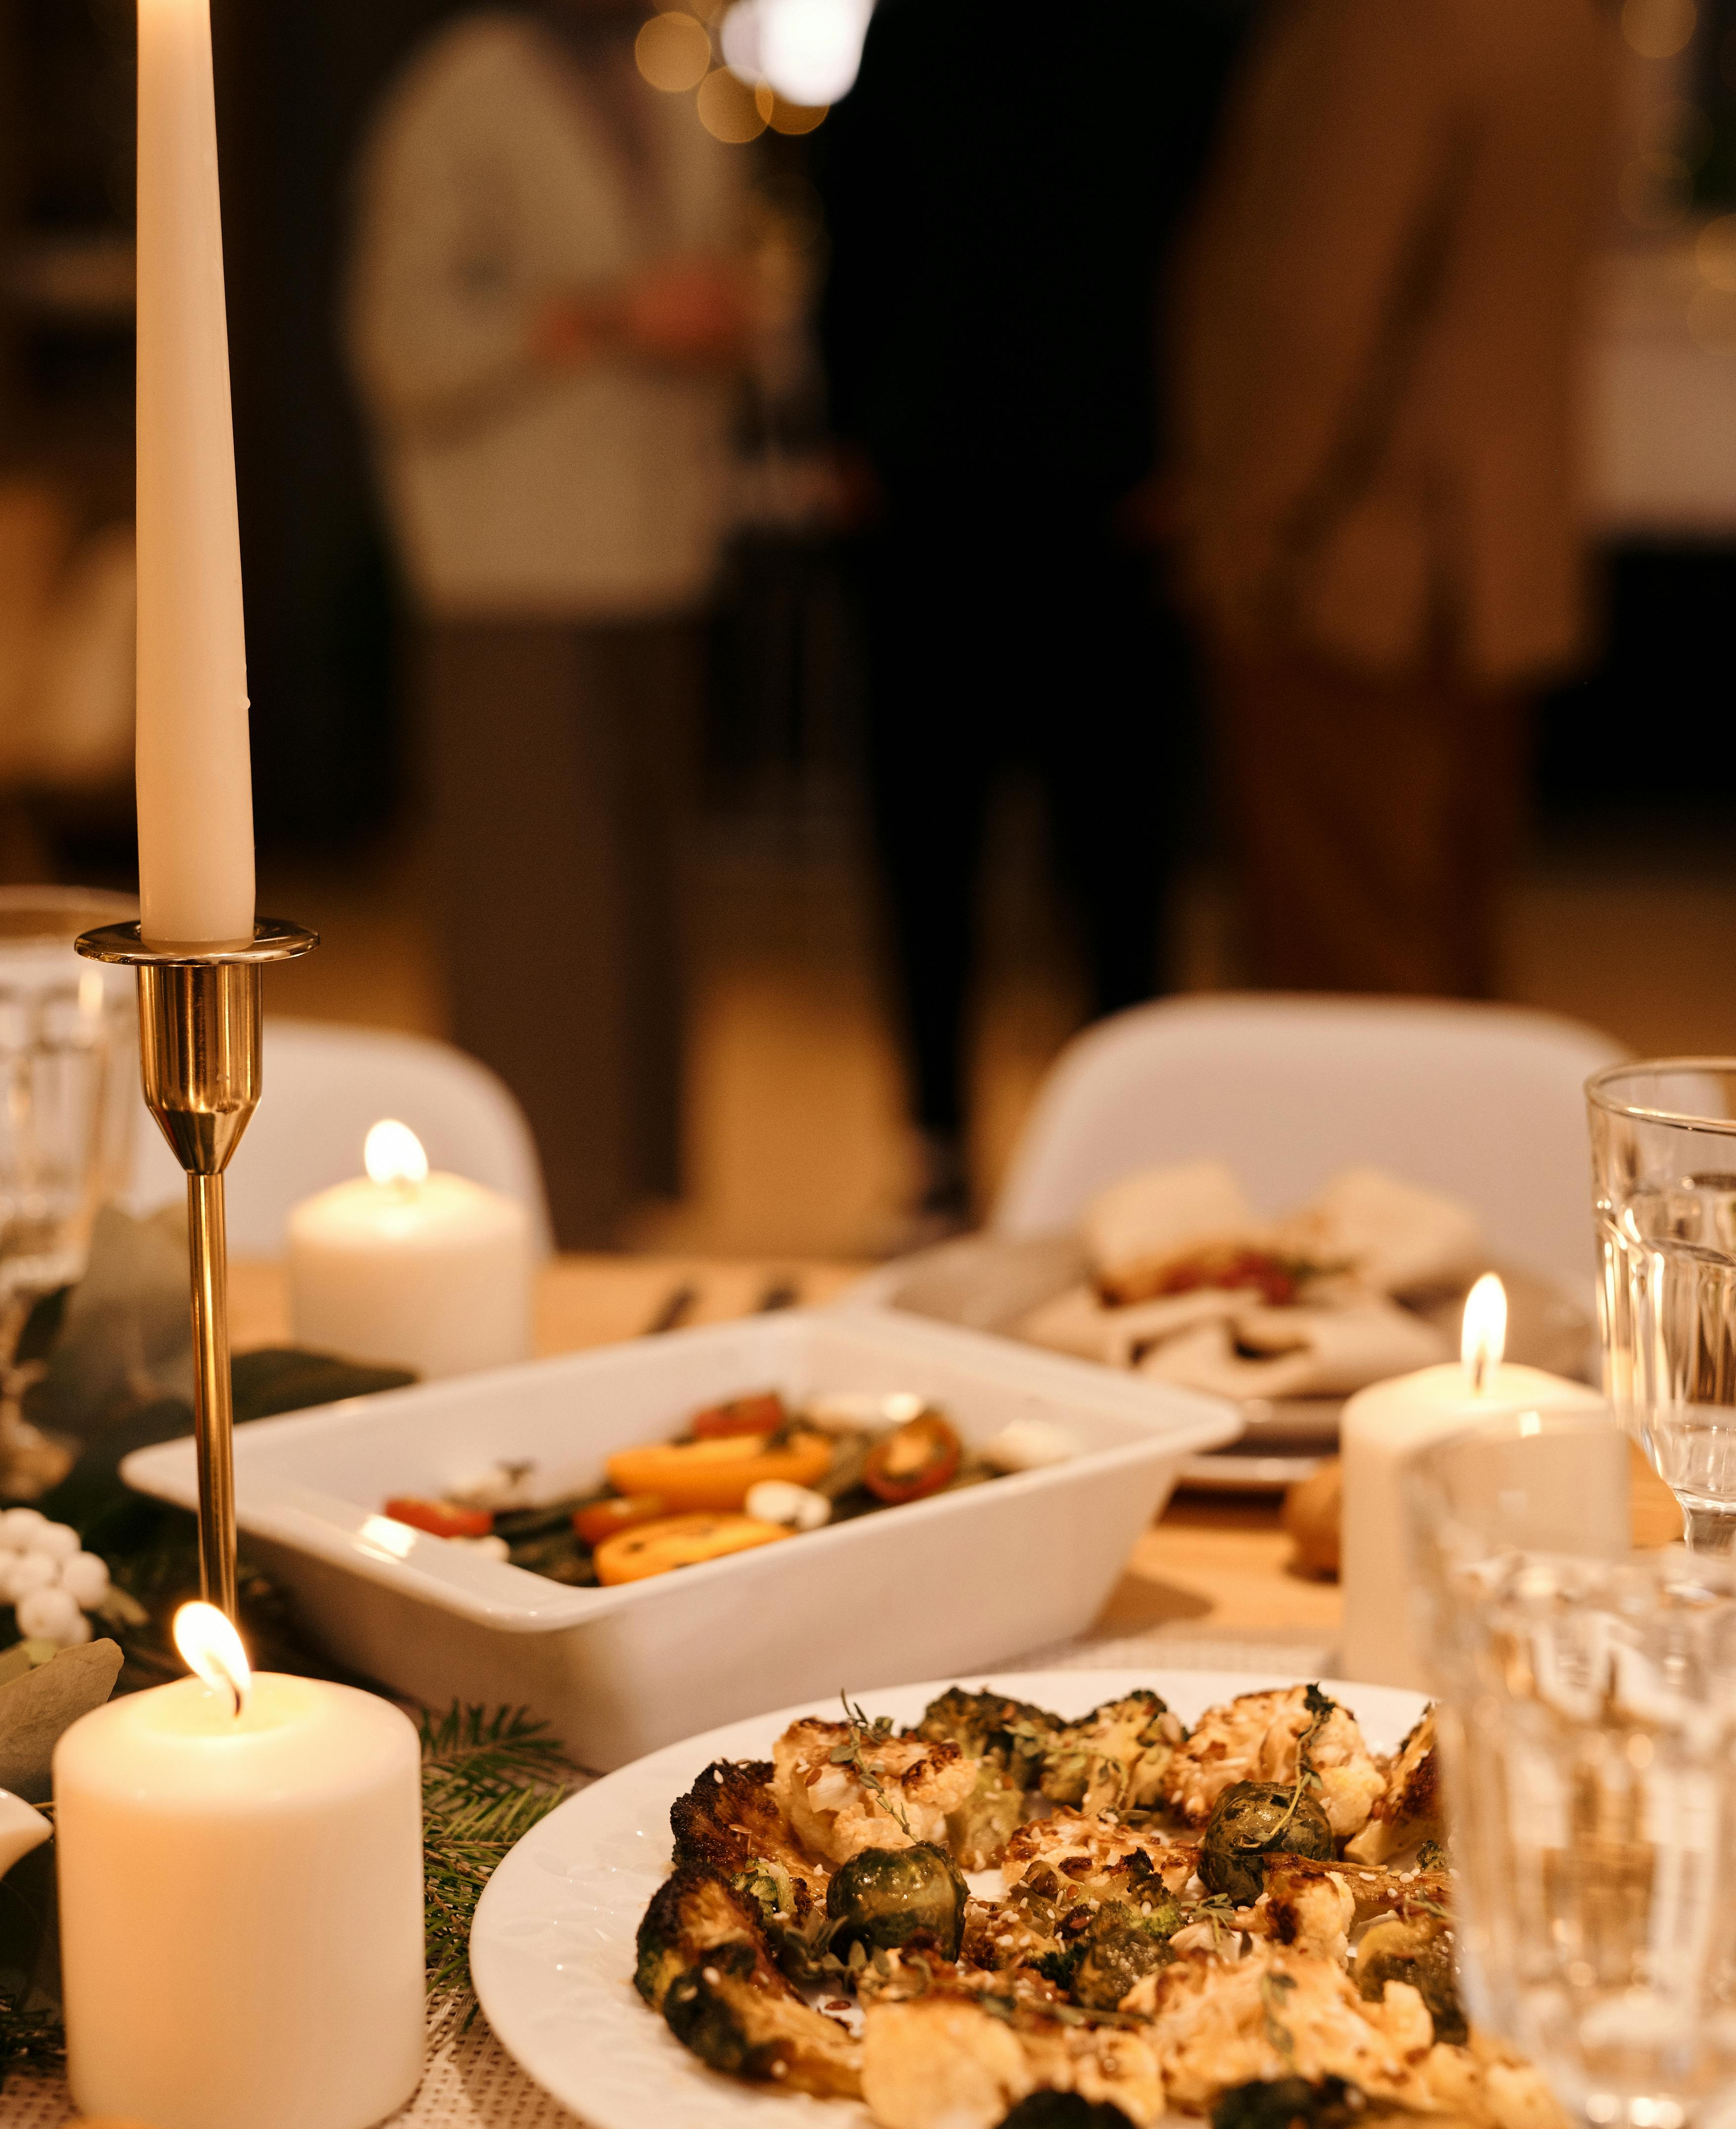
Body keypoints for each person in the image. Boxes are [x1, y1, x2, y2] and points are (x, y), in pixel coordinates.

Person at [816, 0, 1251, 1236]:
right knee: (937, 844)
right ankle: (945, 1142)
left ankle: (1112, 1151)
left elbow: (1221, 244)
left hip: (1107, 493)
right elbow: (855, 210)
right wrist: (851, 424)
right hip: (941, 487)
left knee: (1111, 861)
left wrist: (1193, 447)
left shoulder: (1175, 33)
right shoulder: (936, 21)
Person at [347, 2, 749, 1246]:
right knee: (535, 917)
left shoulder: (679, 77)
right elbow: (402, 343)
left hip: (656, 554)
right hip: (508, 567)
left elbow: (727, 281)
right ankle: (532, 1207)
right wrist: (613, 314)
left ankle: (623, 1204)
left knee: (642, 917)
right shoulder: (459, 93)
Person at [1174, 0, 1616, 997]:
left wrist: (1243, 536)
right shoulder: (1562, 24)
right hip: (1492, 564)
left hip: (1358, 567)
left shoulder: (1387, 24)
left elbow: (1313, 314)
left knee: (1345, 980)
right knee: (1448, 958)